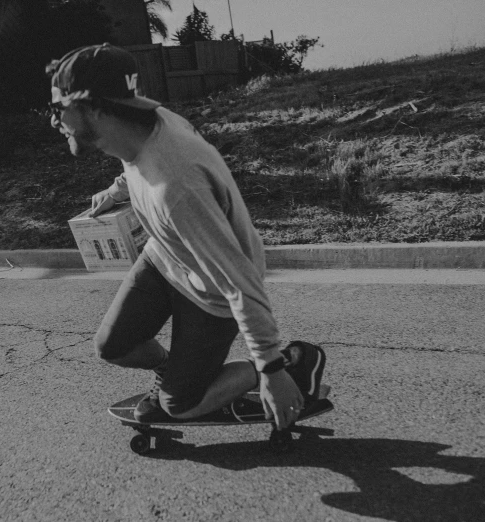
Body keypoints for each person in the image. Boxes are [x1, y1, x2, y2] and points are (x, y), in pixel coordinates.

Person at [46, 43, 326, 430]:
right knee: (112, 347)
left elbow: (240, 281)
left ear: (94, 109)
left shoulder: (177, 188)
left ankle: (294, 365)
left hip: (213, 289)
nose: (54, 122)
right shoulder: (141, 122)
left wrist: (271, 368)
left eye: (59, 110)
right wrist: (116, 192)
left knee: (181, 406)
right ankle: (175, 372)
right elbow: (135, 162)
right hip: (167, 258)